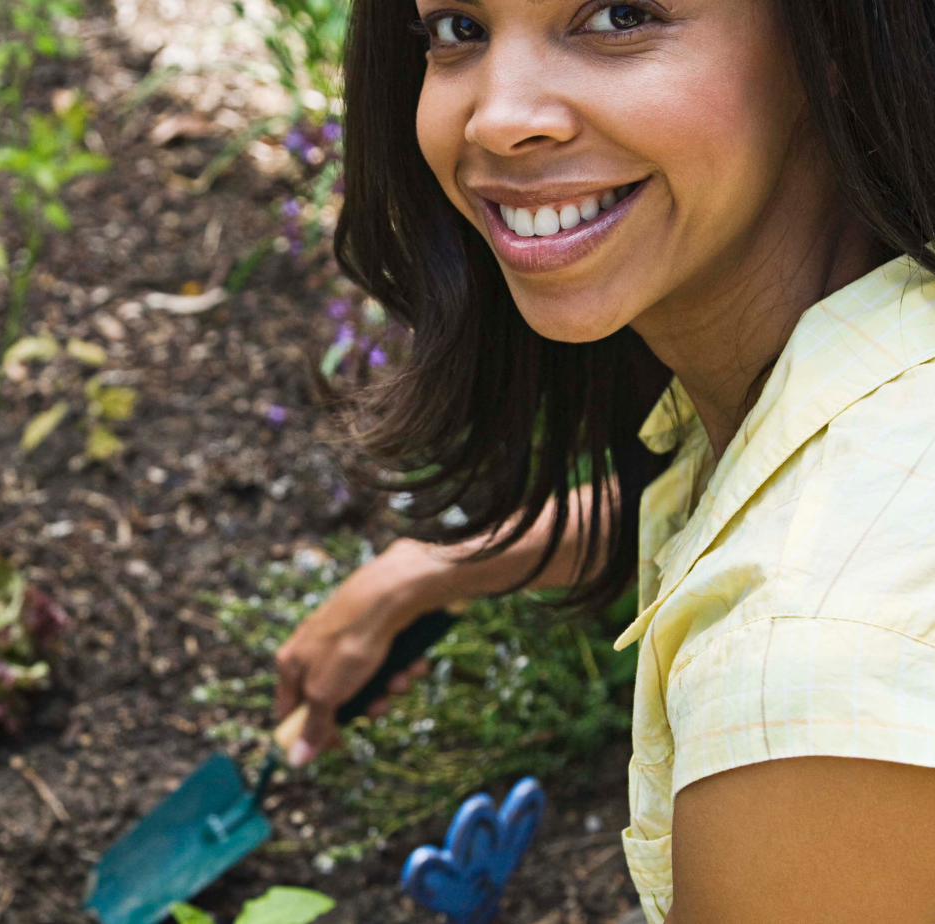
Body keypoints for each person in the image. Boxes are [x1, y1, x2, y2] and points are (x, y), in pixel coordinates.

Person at [273, 1, 935, 921]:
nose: (500, 116)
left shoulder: (805, 689)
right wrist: (432, 571)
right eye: (458, 28)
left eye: (619, 16)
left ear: (829, 44)